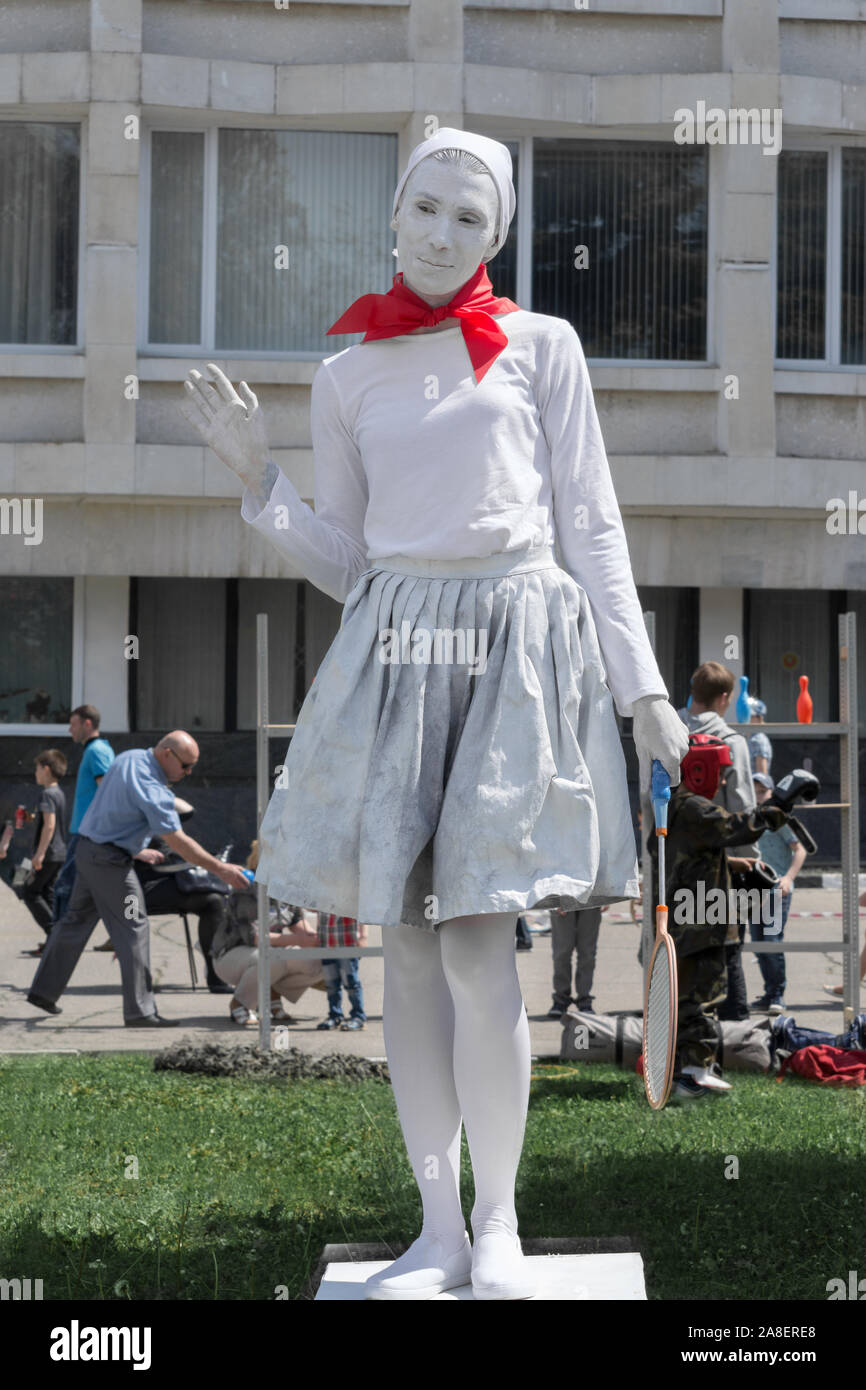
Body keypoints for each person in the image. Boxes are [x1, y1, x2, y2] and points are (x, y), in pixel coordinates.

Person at [181, 127, 688, 1300]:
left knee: (473, 950)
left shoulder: (541, 346)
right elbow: (354, 561)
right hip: (395, 651)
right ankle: (435, 1229)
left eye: (471, 215)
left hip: (513, 649)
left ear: (497, 233)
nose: (443, 230)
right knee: (403, 953)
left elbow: (590, 525)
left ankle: (500, 1221)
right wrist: (260, 485)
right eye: (427, 206)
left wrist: (644, 689)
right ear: (393, 213)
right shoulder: (345, 372)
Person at [26, 732, 249, 1026]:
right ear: (167, 754)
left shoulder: (128, 757)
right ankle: (140, 1011)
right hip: (111, 864)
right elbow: (177, 840)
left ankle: (43, 992)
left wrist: (135, 847)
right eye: (186, 766)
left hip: (90, 852)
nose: (189, 772)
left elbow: (116, 811)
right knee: (135, 926)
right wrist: (220, 869)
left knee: (74, 922)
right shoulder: (150, 785)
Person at [648, 734, 792, 1102]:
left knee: (688, 998)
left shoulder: (672, 807)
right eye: (720, 772)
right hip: (704, 921)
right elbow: (739, 826)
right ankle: (694, 1077)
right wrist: (781, 803)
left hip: (685, 917)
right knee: (704, 996)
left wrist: (729, 863)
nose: (724, 780)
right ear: (701, 770)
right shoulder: (697, 808)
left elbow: (680, 857)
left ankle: (687, 1069)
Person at [678, 662, 761, 1022]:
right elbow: (743, 805)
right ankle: (733, 1034)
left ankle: (672, 1035)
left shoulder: (669, 732)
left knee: (672, 951)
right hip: (721, 865)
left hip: (671, 860)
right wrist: (752, 861)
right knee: (726, 951)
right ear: (725, 698)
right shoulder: (732, 741)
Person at [211, 851, 326, 1026]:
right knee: (272, 958)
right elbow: (255, 937)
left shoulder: (288, 890)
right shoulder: (247, 889)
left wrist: (316, 940)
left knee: (318, 963)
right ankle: (241, 1002)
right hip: (232, 955)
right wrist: (298, 941)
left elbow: (299, 926)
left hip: (270, 952)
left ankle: (271, 993)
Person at [749, 772, 807, 1015]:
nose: (759, 796)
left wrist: (788, 878)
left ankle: (777, 995)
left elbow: (800, 850)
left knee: (772, 942)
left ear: (772, 793)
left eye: (763, 791)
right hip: (753, 891)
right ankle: (769, 992)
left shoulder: (779, 819)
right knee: (759, 944)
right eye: (755, 791)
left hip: (775, 892)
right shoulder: (748, 818)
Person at [52, 705, 115, 925]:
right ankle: (121, 929)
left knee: (64, 887)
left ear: (87, 724)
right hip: (89, 831)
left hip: (86, 833)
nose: (70, 730)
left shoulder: (96, 751)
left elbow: (107, 790)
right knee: (97, 890)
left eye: (73, 724)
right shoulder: (98, 749)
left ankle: (56, 940)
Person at [19, 749, 69, 954]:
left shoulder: (46, 794)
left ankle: (55, 934)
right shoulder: (58, 792)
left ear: (46, 769)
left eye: (37, 768)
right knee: (47, 893)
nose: (35, 773)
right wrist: (31, 818)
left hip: (47, 854)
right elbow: (50, 822)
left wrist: (39, 854)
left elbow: (50, 825)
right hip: (59, 853)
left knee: (29, 892)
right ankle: (54, 942)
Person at [316, 913, 368, 1031]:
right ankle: (335, 1015)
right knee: (331, 984)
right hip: (327, 944)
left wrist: (363, 936)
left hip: (347, 943)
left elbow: (361, 911)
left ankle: (358, 1016)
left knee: (351, 983)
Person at [547, 907, 601, 1017]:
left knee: (588, 953)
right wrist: (552, 899)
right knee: (561, 953)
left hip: (592, 896)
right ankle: (561, 999)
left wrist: (607, 896)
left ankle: (584, 999)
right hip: (562, 895)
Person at [748, 699, 772, 776]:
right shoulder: (750, 737)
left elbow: (761, 775)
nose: (746, 717)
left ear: (759, 718)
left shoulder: (758, 740)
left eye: (750, 715)